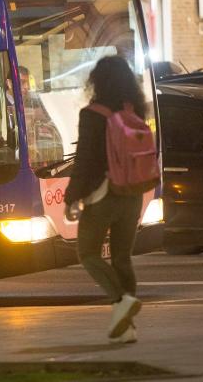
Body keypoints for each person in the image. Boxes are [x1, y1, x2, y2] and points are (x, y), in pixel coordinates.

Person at [63, 56, 146, 343]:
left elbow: (85, 161)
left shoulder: (92, 114)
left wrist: (71, 197)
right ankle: (128, 328)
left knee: (87, 253)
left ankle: (121, 301)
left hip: (104, 195)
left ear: (97, 81)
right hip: (134, 193)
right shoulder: (135, 110)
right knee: (123, 258)